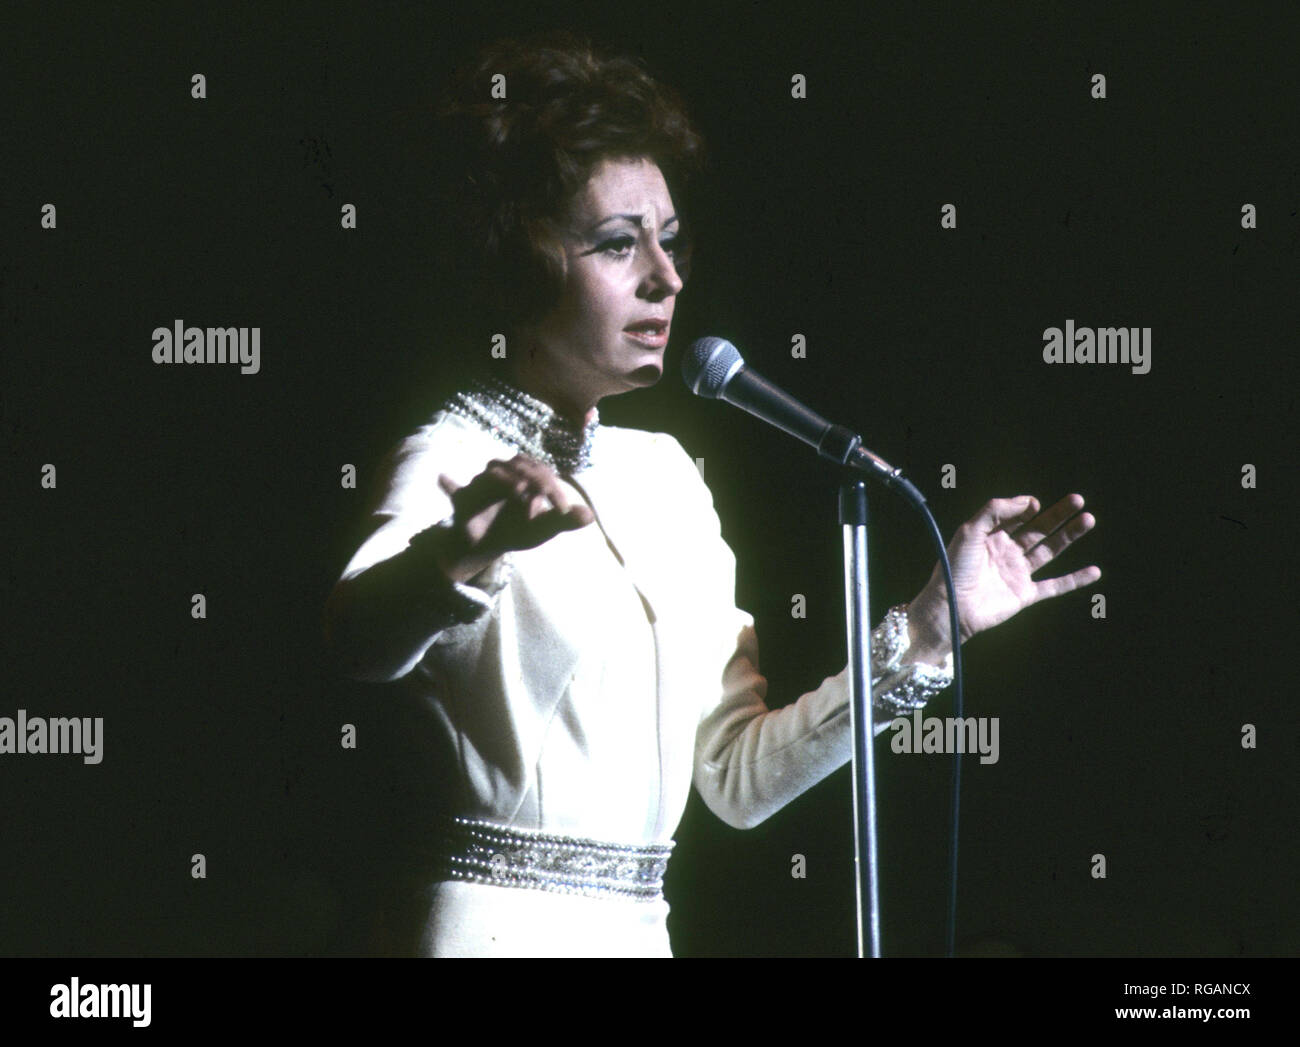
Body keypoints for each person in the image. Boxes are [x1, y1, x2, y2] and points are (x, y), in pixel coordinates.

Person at [322, 32, 1100, 958]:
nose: (667, 275)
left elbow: (736, 777)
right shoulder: (451, 452)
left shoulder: (669, 478)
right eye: (619, 244)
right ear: (520, 266)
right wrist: (458, 550)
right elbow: (353, 640)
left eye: (671, 238)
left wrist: (930, 632)